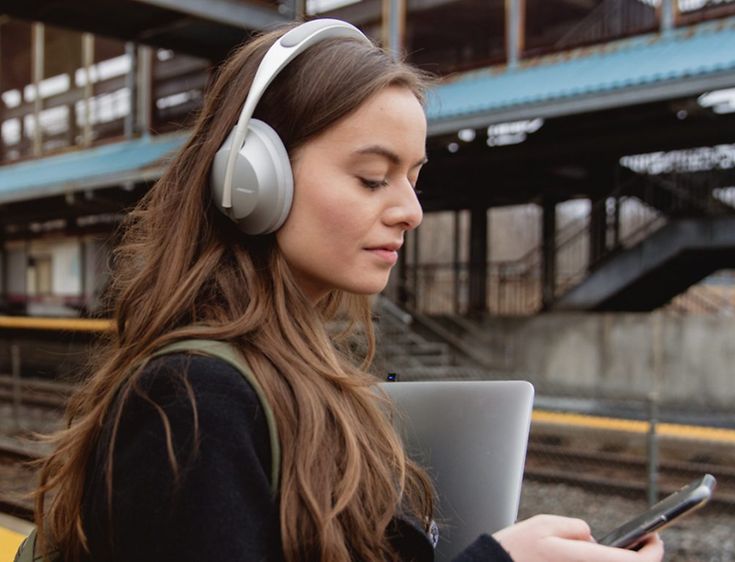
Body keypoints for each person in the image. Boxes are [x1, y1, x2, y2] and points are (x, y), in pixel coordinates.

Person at [31, 19, 664, 562]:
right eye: (371, 178)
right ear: (254, 178)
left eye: (414, 178)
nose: (411, 211)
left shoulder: (290, 373)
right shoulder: (193, 399)